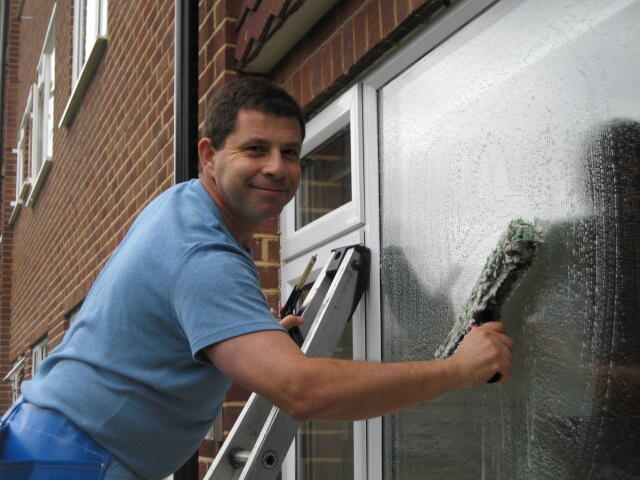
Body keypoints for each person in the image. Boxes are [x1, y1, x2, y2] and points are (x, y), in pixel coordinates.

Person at [0, 77, 514, 480]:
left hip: (55, 443)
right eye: (255, 149)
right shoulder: (202, 252)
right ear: (209, 155)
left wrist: (251, 333)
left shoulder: (186, 208)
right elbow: (302, 391)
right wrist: (459, 369)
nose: (276, 167)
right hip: (71, 462)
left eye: (289, 152)